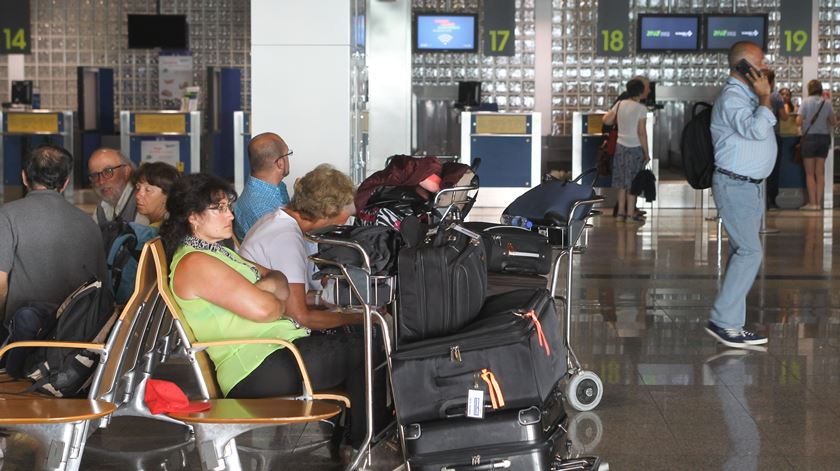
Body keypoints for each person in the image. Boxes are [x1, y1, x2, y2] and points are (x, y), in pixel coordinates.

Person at [160, 173, 373, 451]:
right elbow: (268, 310)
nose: (230, 216)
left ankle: (353, 442)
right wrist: (271, 297)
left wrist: (267, 291)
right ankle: (365, 448)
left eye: (228, 207)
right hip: (255, 369)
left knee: (362, 337)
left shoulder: (218, 252)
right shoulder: (196, 262)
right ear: (193, 217)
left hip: (276, 352)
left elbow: (278, 278)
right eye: (219, 208)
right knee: (367, 346)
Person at [705, 41, 775, 349]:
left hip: (747, 186)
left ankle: (732, 324)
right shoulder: (733, 97)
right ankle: (723, 321)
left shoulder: (745, 96)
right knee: (750, 252)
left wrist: (762, 98)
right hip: (736, 185)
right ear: (745, 67)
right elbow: (756, 130)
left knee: (742, 252)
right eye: (760, 63)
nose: (765, 68)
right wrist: (765, 97)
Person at [0, 145, 107, 338]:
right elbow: (101, 288)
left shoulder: (7, 216)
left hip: (21, 342)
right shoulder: (89, 224)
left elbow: (0, 282)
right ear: (65, 183)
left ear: (24, 177)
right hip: (72, 340)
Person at [240, 164, 360, 325]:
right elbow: (299, 317)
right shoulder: (286, 238)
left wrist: (324, 299)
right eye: (341, 220)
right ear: (326, 214)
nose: (340, 225)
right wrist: (361, 319)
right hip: (268, 337)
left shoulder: (277, 219)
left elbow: (292, 298)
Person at [603, 77, 651, 224]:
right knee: (632, 183)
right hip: (635, 147)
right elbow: (641, 132)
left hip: (620, 147)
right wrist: (646, 152)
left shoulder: (620, 104)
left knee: (621, 181)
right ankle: (630, 214)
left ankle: (621, 213)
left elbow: (607, 120)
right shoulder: (641, 108)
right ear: (641, 91)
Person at [232, 132, 292, 241]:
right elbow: (286, 244)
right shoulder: (262, 209)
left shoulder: (276, 187)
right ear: (280, 163)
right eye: (288, 154)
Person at [796, 79, 836, 210]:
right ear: (820, 89)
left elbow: (798, 121)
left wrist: (798, 113)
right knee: (820, 173)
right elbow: (833, 121)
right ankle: (818, 203)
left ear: (809, 89)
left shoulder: (806, 102)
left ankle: (812, 204)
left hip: (810, 138)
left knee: (809, 174)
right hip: (823, 138)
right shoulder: (827, 102)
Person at [88, 148, 148, 228]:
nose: (101, 181)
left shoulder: (142, 203)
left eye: (108, 171)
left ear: (126, 171)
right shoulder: (103, 206)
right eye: (95, 175)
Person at [766, 70, 788, 210]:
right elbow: (784, 117)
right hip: (774, 136)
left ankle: (760, 199)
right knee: (774, 169)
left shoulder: (754, 94)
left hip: (759, 136)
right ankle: (771, 200)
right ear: (772, 82)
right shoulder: (776, 96)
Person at [133, 162, 181, 227]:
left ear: (167, 196)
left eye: (148, 190)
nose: (137, 195)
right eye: (138, 188)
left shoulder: (171, 230)